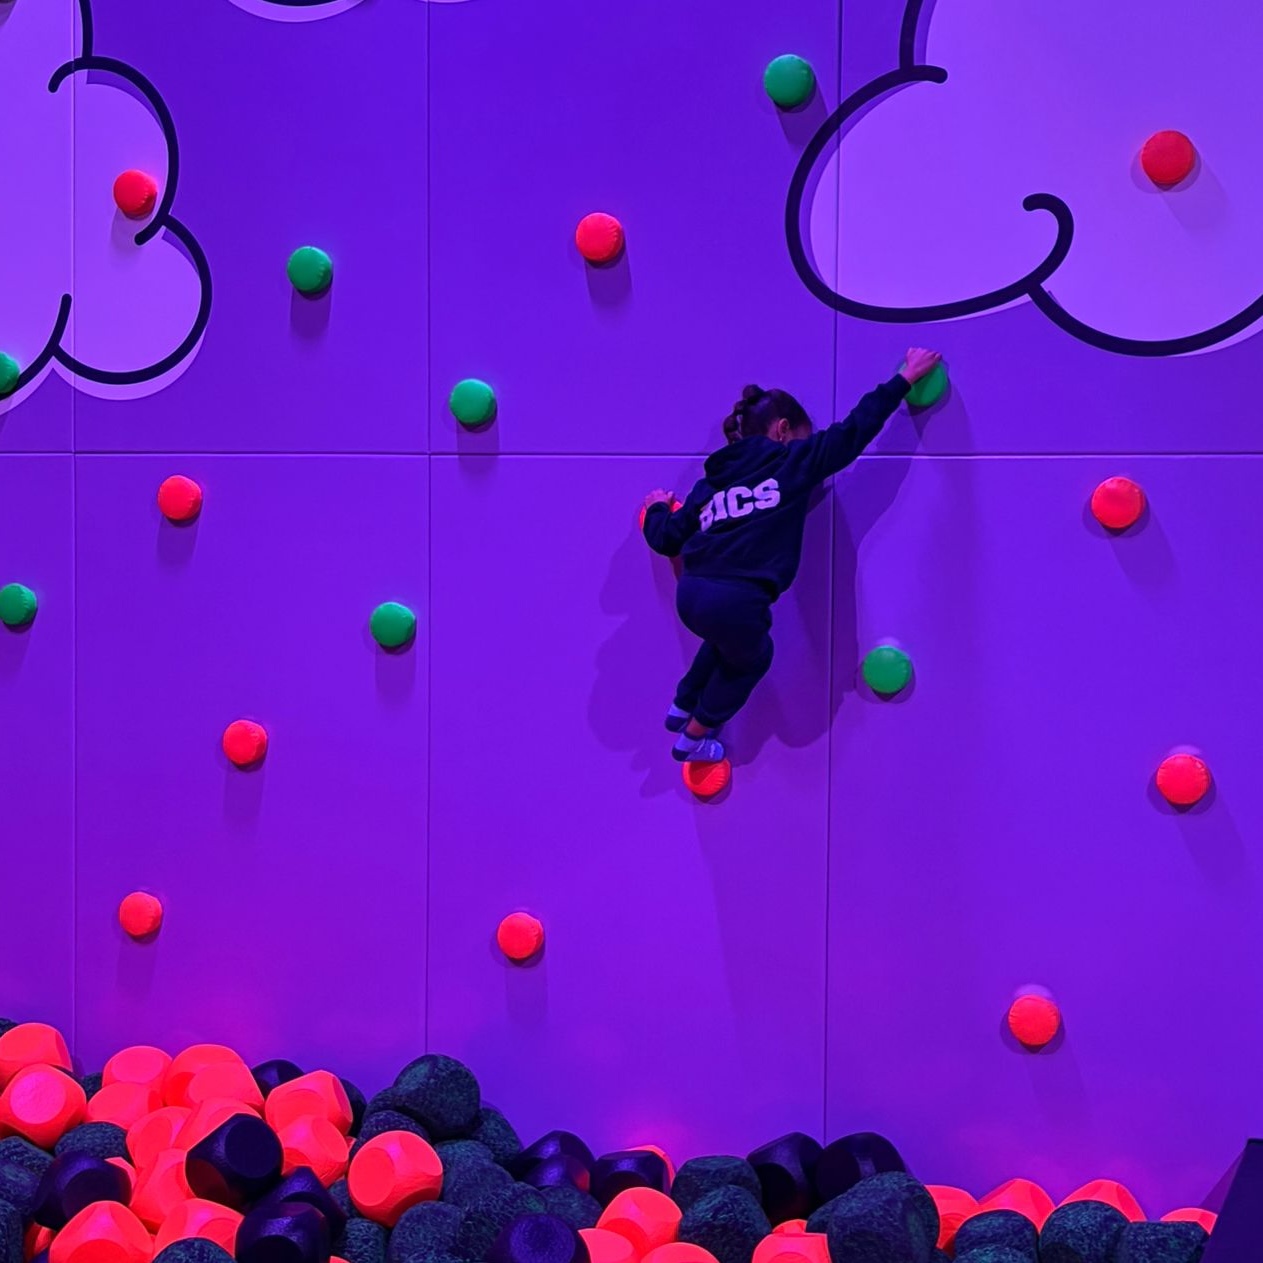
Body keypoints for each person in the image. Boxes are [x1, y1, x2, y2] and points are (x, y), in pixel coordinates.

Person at [641, 349, 942, 763]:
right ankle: (692, 739)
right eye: (803, 435)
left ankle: (681, 705)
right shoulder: (792, 461)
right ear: (783, 430)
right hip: (739, 599)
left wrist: (658, 507)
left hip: (691, 595)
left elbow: (665, 537)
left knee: (726, 642)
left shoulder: (708, 486)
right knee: (752, 659)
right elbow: (854, 430)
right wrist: (904, 378)